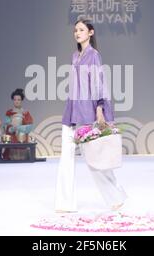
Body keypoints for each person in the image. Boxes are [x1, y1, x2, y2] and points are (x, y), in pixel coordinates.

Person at [55, 19, 127, 212]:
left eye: (81, 30)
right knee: (66, 157)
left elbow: (98, 82)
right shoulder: (74, 56)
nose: (77, 33)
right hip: (71, 110)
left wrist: (100, 108)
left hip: (87, 111)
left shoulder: (93, 55)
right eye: (75, 30)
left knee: (94, 158)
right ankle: (64, 203)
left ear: (91, 33)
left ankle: (115, 197)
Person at [2, 88, 34, 160]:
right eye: (15, 99)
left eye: (18, 100)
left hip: (22, 139)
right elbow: (5, 126)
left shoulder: (25, 113)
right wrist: (10, 128)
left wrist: (19, 128)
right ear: (13, 100)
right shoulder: (9, 113)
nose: (16, 101)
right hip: (12, 139)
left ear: (21, 100)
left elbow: (29, 127)